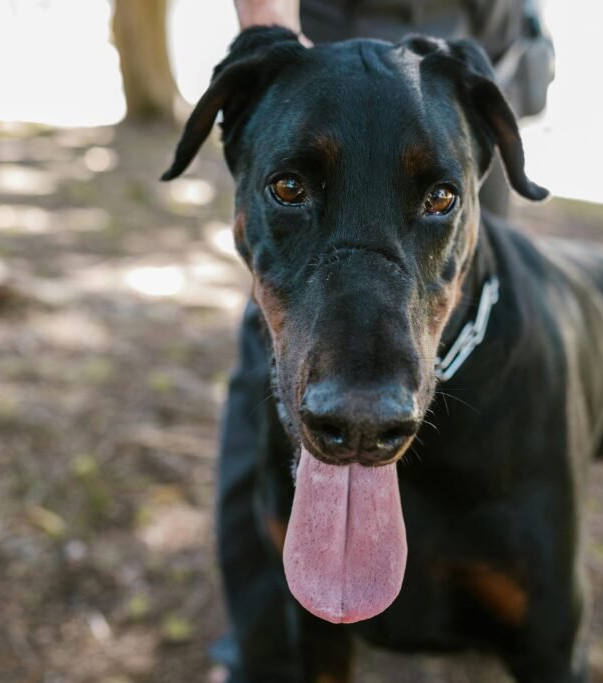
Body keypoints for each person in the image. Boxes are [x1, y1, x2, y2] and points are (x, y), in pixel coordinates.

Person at [211, 2, 554, 681]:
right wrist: (263, 21)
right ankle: (264, 659)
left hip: (467, 69)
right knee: (263, 448)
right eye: (286, 186)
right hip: (321, 33)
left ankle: (466, 611)